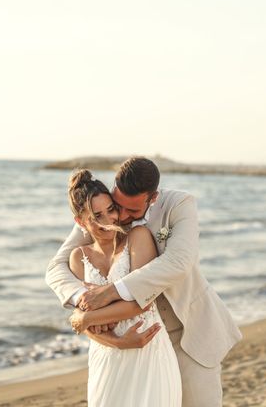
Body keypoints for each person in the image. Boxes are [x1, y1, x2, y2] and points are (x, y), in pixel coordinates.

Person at [46, 156, 242, 407]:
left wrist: (109, 293)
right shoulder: (104, 212)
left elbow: (178, 262)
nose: (121, 217)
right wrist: (82, 304)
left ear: (153, 198)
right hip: (124, 344)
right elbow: (56, 266)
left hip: (187, 333)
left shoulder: (179, 204)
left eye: (132, 211)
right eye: (119, 205)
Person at [63, 168, 181, 405]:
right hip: (106, 358)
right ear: (80, 222)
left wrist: (86, 319)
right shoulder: (78, 258)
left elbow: (141, 301)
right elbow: (87, 320)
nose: (109, 220)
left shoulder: (138, 237)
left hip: (148, 352)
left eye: (110, 209)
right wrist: (116, 341)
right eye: (97, 216)